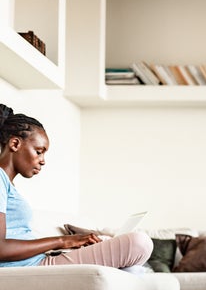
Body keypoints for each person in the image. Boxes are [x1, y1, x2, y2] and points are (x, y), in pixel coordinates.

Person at [0, 104, 152, 269]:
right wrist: (62, 241)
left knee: (132, 254)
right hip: (32, 266)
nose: (43, 160)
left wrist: (69, 244)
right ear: (15, 144)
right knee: (138, 243)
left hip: (40, 260)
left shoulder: (8, 184)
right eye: (39, 151)